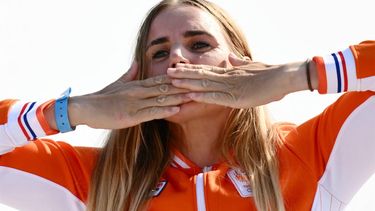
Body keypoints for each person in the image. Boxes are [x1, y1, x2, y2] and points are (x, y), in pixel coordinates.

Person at [0, 0, 374, 210]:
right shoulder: (94, 182)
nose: (177, 60)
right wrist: (74, 110)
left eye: (199, 45)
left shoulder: (309, 157)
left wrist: (299, 75)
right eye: (159, 52)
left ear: (241, 63)